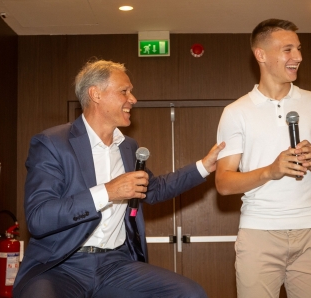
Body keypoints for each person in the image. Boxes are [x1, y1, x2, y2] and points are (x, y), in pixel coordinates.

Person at [13, 59, 225, 298]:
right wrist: (107, 192)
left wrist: (204, 167)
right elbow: (39, 217)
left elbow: (153, 189)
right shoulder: (52, 143)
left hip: (115, 265)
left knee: (190, 293)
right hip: (60, 266)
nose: (132, 99)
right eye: (124, 91)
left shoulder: (127, 147)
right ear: (96, 94)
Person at [215, 19, 311, 298]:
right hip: (259, 232)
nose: (298, 57)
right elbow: (223, 182)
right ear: (261, 55)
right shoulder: (236, 112)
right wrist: (271, 171)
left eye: (298, 49)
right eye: (288, 50)